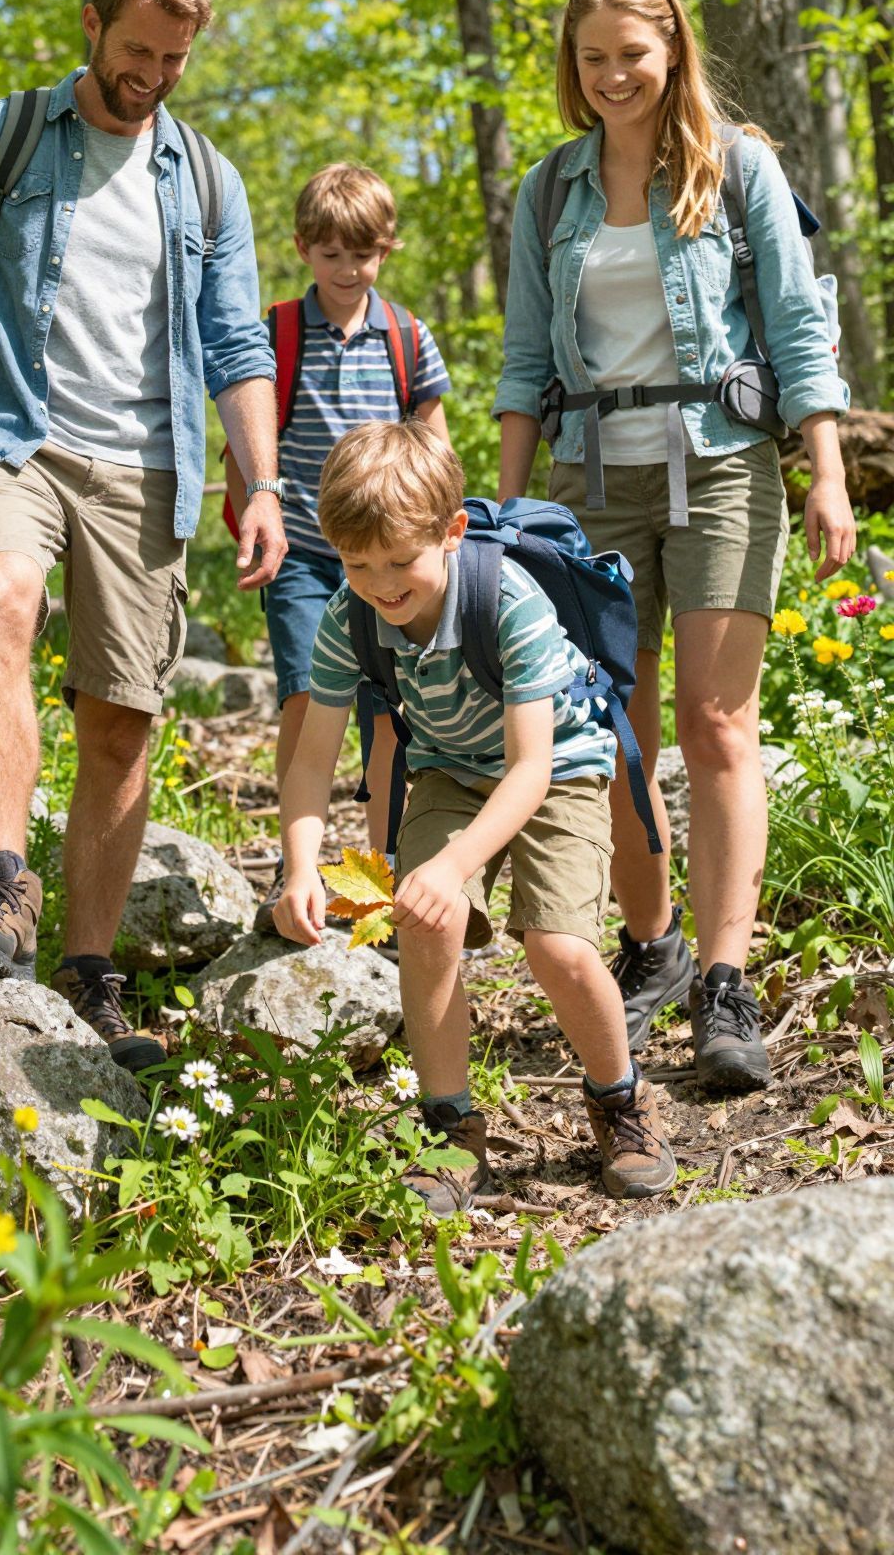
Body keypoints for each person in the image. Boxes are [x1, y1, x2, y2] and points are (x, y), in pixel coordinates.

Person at [0, 0, 286, 1072]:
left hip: (147, 467)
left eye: (176, 58)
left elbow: (237, 342)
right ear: (91, 26)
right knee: (1, 596)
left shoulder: (205, 178)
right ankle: (2, 884)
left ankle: (89, 971)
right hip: (11, 437)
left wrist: (262, 485)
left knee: (118, 723)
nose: (153, 74)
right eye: (137, 51)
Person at [495, 0, 853, 1093]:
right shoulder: (550, 192)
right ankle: (651, 943)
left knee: (716, 721)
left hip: (728, 467)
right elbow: (522, 361)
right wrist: (506, 510)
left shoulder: (736, 167)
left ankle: (726, 979)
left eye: (631, 54)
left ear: (672, 51)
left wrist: (828, 472)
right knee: (615, 728)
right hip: (591, 480)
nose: (612, 76)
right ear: (574, 63)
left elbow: (798, 326)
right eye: (592, 57)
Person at [272, 421, 678, 1207]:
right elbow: (312, 760)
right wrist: (298, 866)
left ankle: (622, 1100)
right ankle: (449, 1125)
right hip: (451, 771)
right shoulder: (348, 616)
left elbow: (532, 769)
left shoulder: (510, 601)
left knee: (557, 945)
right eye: (358, 565)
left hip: (557, 765)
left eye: (400, 563)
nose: (382, 586)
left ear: (452, 533)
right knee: (428, 924)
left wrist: (455, 865)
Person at [246, 165, 452, 932]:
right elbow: (252, 439)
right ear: (304, 249)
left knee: (389, 714)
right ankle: (294, 858)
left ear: (385, 251)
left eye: (362, 254)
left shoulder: (406, 336)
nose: (347, 269)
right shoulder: (278, 332)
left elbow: (433, 440)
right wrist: (249, 514)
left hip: (392, 557)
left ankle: (380, 871)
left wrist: (448, 526)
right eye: (331, 254)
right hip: (303, 548)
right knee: (306, 695)